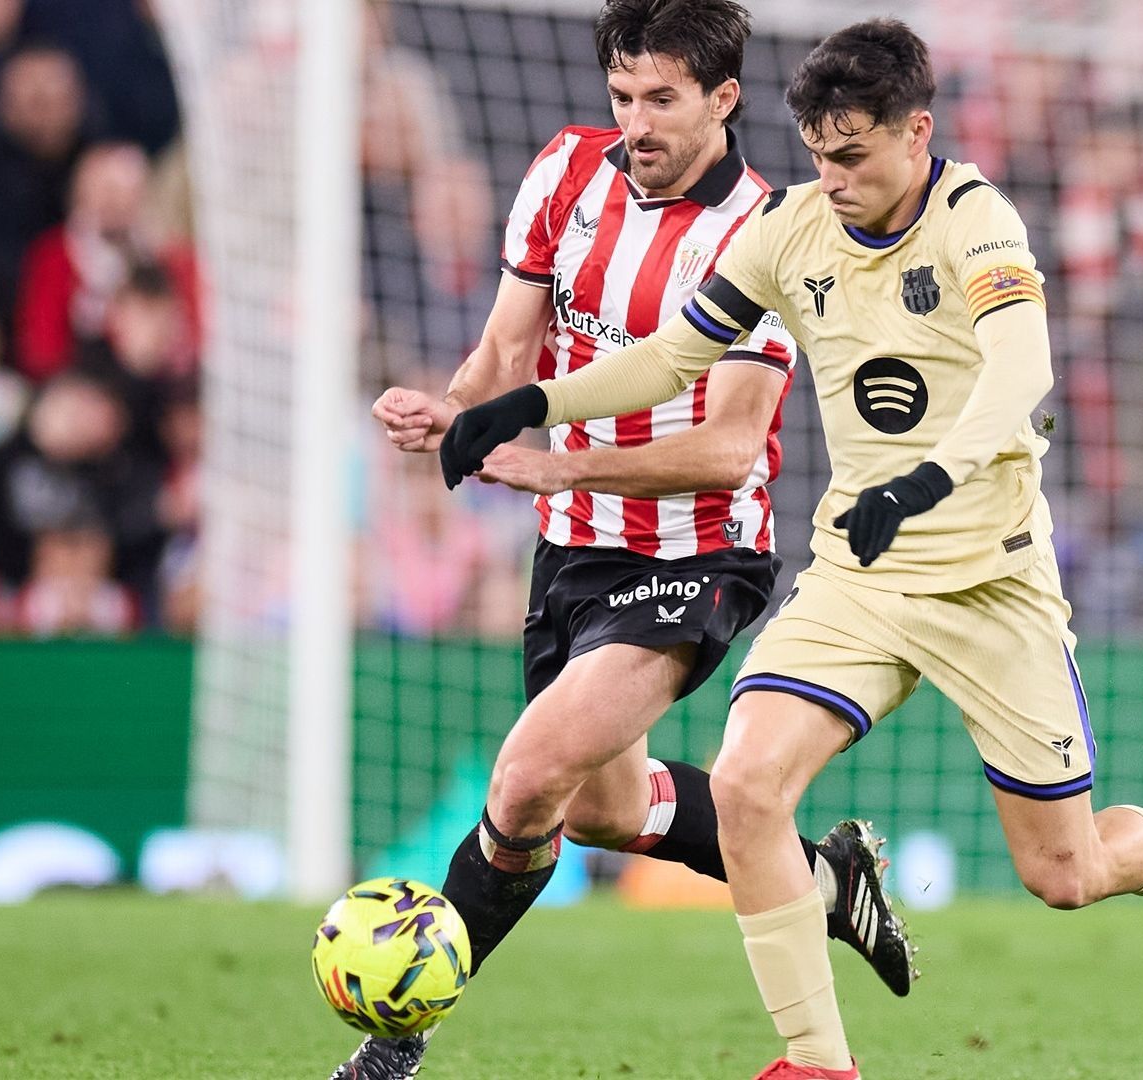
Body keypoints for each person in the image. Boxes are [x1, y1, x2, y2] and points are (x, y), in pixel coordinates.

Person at [440, 20, 1143, 1080]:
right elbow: (670, 358)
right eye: (818, 156)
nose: (833, 179)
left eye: (852, 156)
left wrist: (927, 482)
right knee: (747, 783)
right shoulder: (791, 227)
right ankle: (817, 1061)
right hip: (859, 575)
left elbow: (1020, 371)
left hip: (990, 585)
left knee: (1066, 875)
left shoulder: (976, 221)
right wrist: (532, 404)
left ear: (916, 132)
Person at [346, 3, 912, 1078]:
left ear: (723, 98)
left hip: (694, 556)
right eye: (622, 96)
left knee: (525, 782)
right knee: (607, 811)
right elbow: (506, 348)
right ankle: (831, 881)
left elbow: (730, 447)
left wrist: (555, 462)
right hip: (572, 547)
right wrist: (455, 409)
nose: (635, 122)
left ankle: (394, 1040)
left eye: (661, 99)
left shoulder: (764, 233)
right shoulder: (566, 170)